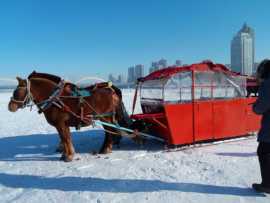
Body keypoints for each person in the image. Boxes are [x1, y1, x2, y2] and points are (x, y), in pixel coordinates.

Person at [252, 59, 270, 193]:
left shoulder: (268, 84)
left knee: (264, 152)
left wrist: (255, 107)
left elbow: (260, 107)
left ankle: (267, 185)